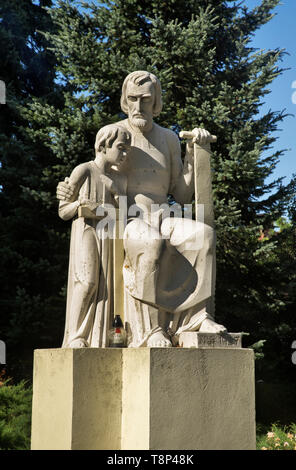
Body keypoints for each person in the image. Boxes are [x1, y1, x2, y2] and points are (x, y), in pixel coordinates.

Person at [57, 71, 226, 348]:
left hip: (165, 213)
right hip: (126, 216)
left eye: (145, 99)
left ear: (155, 101)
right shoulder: (117, 135)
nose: (138, 106)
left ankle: (197, 318)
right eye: (132, 99)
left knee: (204, 236)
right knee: (150, 243)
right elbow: (94, 170)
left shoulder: (170, 139)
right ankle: (151, 331)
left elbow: (182, 196)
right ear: (125, 100)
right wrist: (68, 192)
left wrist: (193, 155)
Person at [59, 124, 131, 348]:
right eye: (121, 148)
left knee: (106, 287)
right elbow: (63, 210)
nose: (124, 154)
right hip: (87, 230)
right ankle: (75, 335)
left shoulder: (118, 180)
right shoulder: (84, 170)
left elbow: (123, 214)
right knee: (88, 281)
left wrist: (116, 193)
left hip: (109, 235)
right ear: (103, 145)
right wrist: (80, 204)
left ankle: (95, 337)